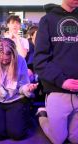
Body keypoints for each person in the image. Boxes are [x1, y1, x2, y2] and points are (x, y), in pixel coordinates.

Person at [34, 0, 78, 144]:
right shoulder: (47, 20)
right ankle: (42, 114)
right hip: (57, 89)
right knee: (58, 139)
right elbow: (40, 60)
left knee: (75, 138)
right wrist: (62, 81)